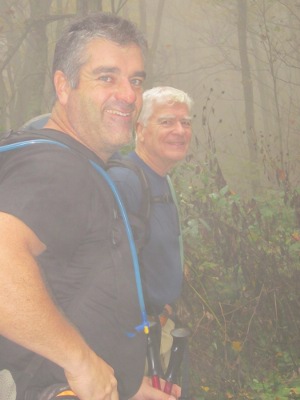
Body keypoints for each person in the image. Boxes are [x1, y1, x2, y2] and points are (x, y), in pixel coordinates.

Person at [0, 13, 180, 400]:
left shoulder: (75, 164)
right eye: (107, 77)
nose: (129, 95)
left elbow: (74, 289)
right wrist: (80, 361)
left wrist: (127, 385)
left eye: (135, 80)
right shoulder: (57, 168)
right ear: (64, 86)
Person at [108, 86, 193, 372]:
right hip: (132, 340)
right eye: (167, 121)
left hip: (160, 327)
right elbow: (104, 269)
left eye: (186, 122)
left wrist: (165, 308)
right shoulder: (124, 182)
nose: (180, 130)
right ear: (140, 129)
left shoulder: (162, 179)